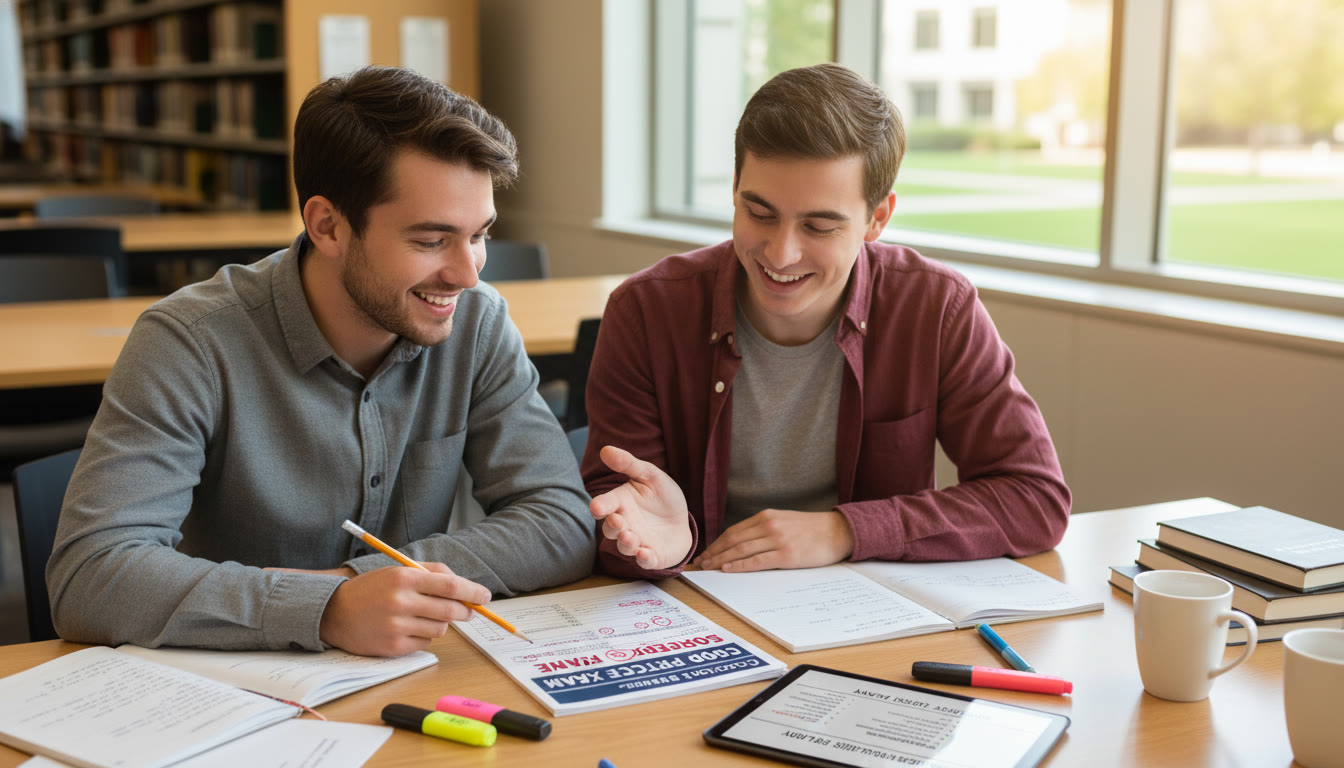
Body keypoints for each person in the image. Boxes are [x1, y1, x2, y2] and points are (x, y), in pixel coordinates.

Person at [47, 66, 597, 657]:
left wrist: (364, 588)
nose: (468, 274)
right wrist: (325, 611)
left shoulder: (478, 322)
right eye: (431, 241)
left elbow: (561, 520)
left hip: (406, 675)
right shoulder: (189, 342)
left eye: (480, 234)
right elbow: (91, 574)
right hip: (232, 690)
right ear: (327, 226)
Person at [583, 63, 1070, 579]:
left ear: (877, 218)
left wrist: (846, 530)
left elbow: (1035, 498)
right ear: (734, 187)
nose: (781, 253)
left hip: (865, 614)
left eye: (819, 226)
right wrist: (658, 543)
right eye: (760, 214)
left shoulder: (935, 307)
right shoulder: (645, 310)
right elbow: (605, 515)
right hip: (699, 603)